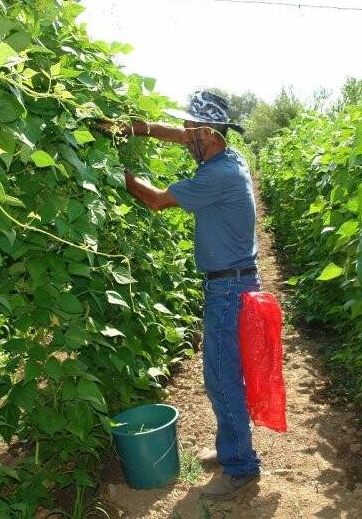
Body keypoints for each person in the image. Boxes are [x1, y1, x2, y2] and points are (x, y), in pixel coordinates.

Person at [100, 90, 261, 501]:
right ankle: (232, 449)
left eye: (191, 131)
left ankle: (241, 466)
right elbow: (171, 133)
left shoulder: (217, 176)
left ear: (208, 134)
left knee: (222, 377)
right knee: (224, 374)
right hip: (230, 283)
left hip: (228, 288)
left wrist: (114, 171)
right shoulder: (229, 158)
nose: (184, 137)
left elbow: (156, 200)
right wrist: (134, 128)